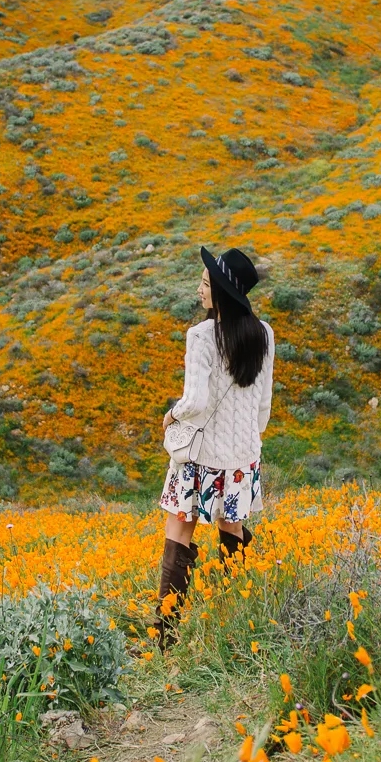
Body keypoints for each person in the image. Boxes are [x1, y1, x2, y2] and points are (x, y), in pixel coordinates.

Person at [154, 245, 273, 643]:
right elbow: (264, 404)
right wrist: (247, 443)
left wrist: (173, 414)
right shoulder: (263, 334)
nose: (199, 290)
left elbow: (196, 402)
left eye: (205, 284)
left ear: (222, 291)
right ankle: (237, 620)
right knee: (231, 527)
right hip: (242, 458)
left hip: (201, 459)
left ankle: (166, 633)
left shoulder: (202, 335)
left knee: (179, 530)